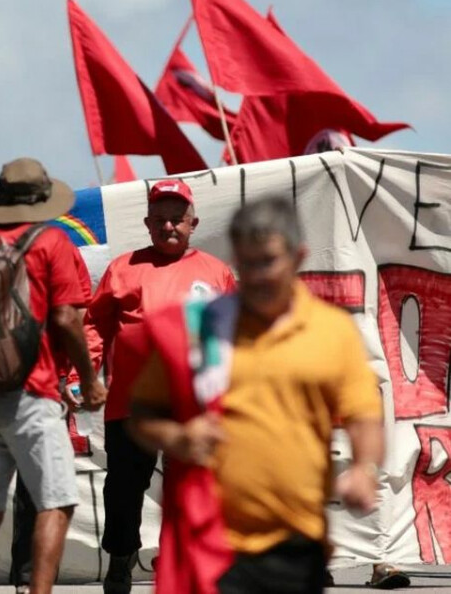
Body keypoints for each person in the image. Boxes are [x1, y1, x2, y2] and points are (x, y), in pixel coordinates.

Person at [128, 197, 384, 594]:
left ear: (298, 257)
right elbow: (141, 412)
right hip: (207, 544)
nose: (257, 276)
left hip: (296, 544)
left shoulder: (331, 331)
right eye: (247, 264)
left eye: (268, 261)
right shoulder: (200, 328)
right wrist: (175, 438)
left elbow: (364, 413)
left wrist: (365, 469)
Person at [0, 158, 104, 594]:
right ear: (43, 200)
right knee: (56, 504)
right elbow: (66, 318)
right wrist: (89, 379)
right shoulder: (51, 242)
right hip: (32, 393)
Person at [83, 179, 235, 594]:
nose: (169, 227)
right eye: (161, 220)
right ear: (148, 224)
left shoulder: (216, 272)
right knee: (123, 491)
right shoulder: (122, 268)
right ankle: (120, 559)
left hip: (195, 406)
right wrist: (85, 373)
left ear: (193, 223)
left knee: (194, 492)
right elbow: (94, 325)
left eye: (177, 220)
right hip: (132, 405)